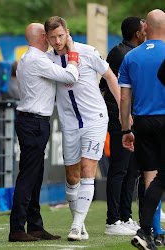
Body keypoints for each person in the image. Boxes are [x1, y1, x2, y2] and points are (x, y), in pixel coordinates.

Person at [44, 16, 121, 241]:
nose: (57, 41)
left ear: (67, 32)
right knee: (71, 176)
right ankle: (80, 222)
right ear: (47, 38)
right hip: (68, 123)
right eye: (52, 37)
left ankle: (76, 225)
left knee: (88, 167)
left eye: (60, 35)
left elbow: (110, 78)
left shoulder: (87, 51)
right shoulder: (47, 59)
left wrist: (124, 111)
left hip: (95, 119)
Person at [9, 23, 79, 242]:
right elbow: (70, 76)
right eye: (49, 36)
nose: (53, 40)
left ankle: (34, 225)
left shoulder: (31, 57)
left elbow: (53, 57)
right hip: (34, 122)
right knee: (29, 175)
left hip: (32, 121)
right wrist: (73, 52)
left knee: (35, 175)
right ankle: (17, 228)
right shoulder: (38, 60)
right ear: (42, 36)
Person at [118, 9, 165, 250]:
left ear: (145, 29)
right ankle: (151, 231)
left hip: (143, 121)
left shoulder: (131, 56)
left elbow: (124, 99)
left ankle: (155, 232)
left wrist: (126, 129)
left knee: (150, 177)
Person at [99, 17, 146, 236]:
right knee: (119, 168)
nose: (147, 31)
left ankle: (126, 217)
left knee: (131, 170)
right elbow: (110, 87)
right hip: (121, 120)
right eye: (144, 28)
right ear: (137, 34)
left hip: (132, 118)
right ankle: (113, 220)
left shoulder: (127, 52)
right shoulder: (123, 53)